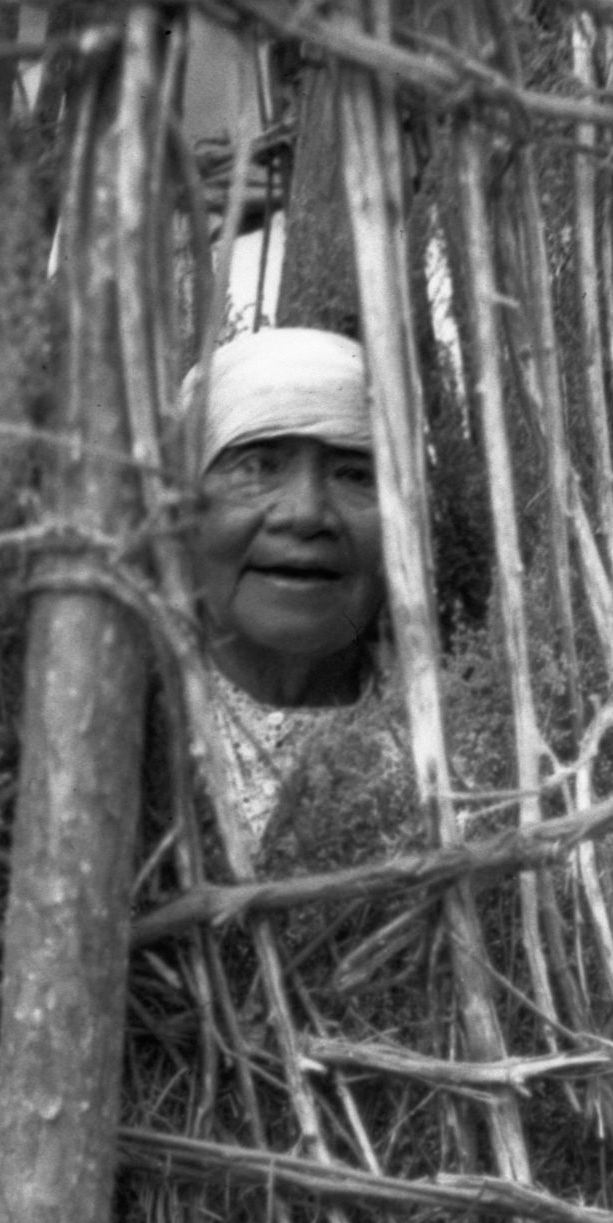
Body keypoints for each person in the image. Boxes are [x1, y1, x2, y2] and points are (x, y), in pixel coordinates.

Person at [180, 327, 389, 853]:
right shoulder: (118, 737)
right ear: (180, 510)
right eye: (257, 467)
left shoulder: (469, 758)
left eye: (355, 474)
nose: (306, 514)